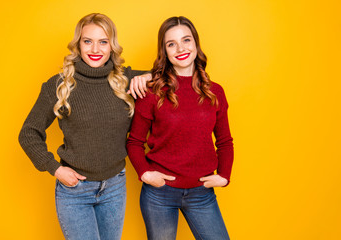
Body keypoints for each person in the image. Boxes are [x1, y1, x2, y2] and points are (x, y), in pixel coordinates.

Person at [19, 13, 150, 240]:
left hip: (114, 188)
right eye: (88, 41)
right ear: (78, 45)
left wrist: (149, 76)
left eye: (103, 41)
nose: (95, 49)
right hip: (75, 192)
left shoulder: (125, 79)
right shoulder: (60, 85)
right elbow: (28, 133)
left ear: (112, 45)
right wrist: (55, 169)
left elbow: (179, 74)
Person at [127, 16, 234, 240]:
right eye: (171, 44)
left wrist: (224, 175)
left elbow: (224, 141)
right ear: (164, 51)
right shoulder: (151, 92)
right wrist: (145, 173)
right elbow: (134, 142)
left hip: (201, 194)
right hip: (159, 194)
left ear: (196, 44)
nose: (180, 48)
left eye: (186, 40)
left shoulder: (215, 92)